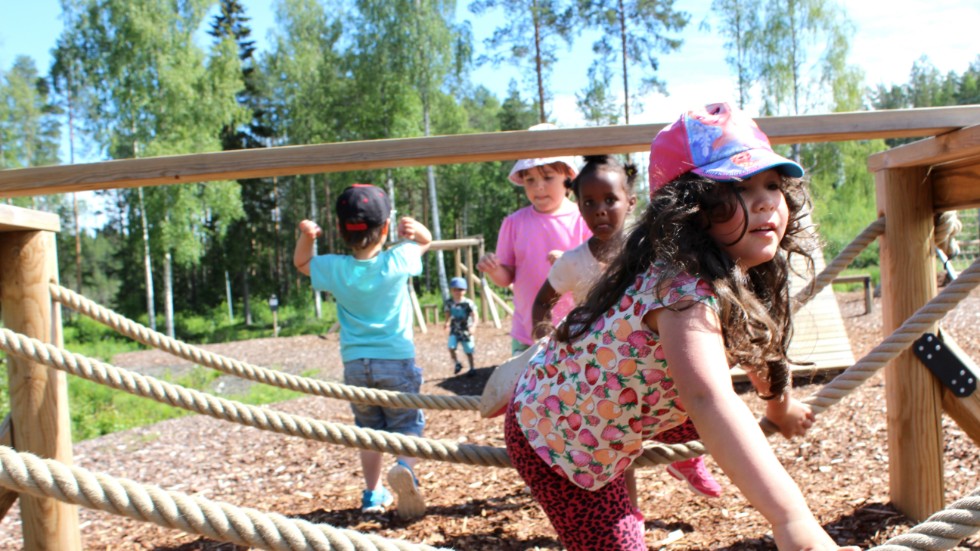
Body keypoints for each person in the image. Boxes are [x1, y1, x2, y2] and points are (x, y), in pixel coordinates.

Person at [504, 103, 857, 550]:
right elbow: (708, 399)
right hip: (562, 437)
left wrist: (777, 406)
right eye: (741, 188)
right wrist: (792, 521)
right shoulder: (680, 291)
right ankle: (520, 386)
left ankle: (649, 440)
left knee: (724, 412)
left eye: (772, 184)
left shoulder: (737, 267)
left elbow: (759, 349)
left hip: (628, 399)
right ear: (692, 210)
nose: (768, 200)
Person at [529, 154, 724, 503]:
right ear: (579, 206)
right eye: (589, 202)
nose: (600, 210)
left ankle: (687, 460)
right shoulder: (573, 261)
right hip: (598, 372)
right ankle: (629, 509)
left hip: (645, 360)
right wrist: (542, 338)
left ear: (631, 202)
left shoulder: (648, 252)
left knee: (684, 402)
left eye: (610, 200)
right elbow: (542, 300)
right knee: (613, 445)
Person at [293, 183, 431, 521]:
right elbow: (425, 244)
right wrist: (417, 231)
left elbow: (302, 264)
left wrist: (308, 236)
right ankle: (404, 470)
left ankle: (372, 493)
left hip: (356, 367)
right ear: (385, 227)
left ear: (341, 230)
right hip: (396, 362)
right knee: (407, 424)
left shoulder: (335, 268)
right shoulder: (398, 260)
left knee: (368, 431)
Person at [477, 123, 592, 355]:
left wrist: (570, 262)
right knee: (524, 389)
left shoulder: (583, 218)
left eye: (548, 177)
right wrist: (493, 269)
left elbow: (597, 272)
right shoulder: (514, 222)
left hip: (577, 329)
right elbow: (507, 277)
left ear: (568, 179)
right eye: (530, 180)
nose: (538, 187)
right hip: (526, 332)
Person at [444, 276, 478, 375]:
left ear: (465, 290)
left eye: (460, 289)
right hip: (455, 329)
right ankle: (457, 363)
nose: (457, 292)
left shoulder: (468, 303)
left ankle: (472, 368)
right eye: (455, 289)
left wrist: (474, 326)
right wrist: (447, 323)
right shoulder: (449, 303)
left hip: (466, 329)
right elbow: (448, 314)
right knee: (451, 347)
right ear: (451, 290)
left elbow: (475, 315)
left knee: (469, 350)